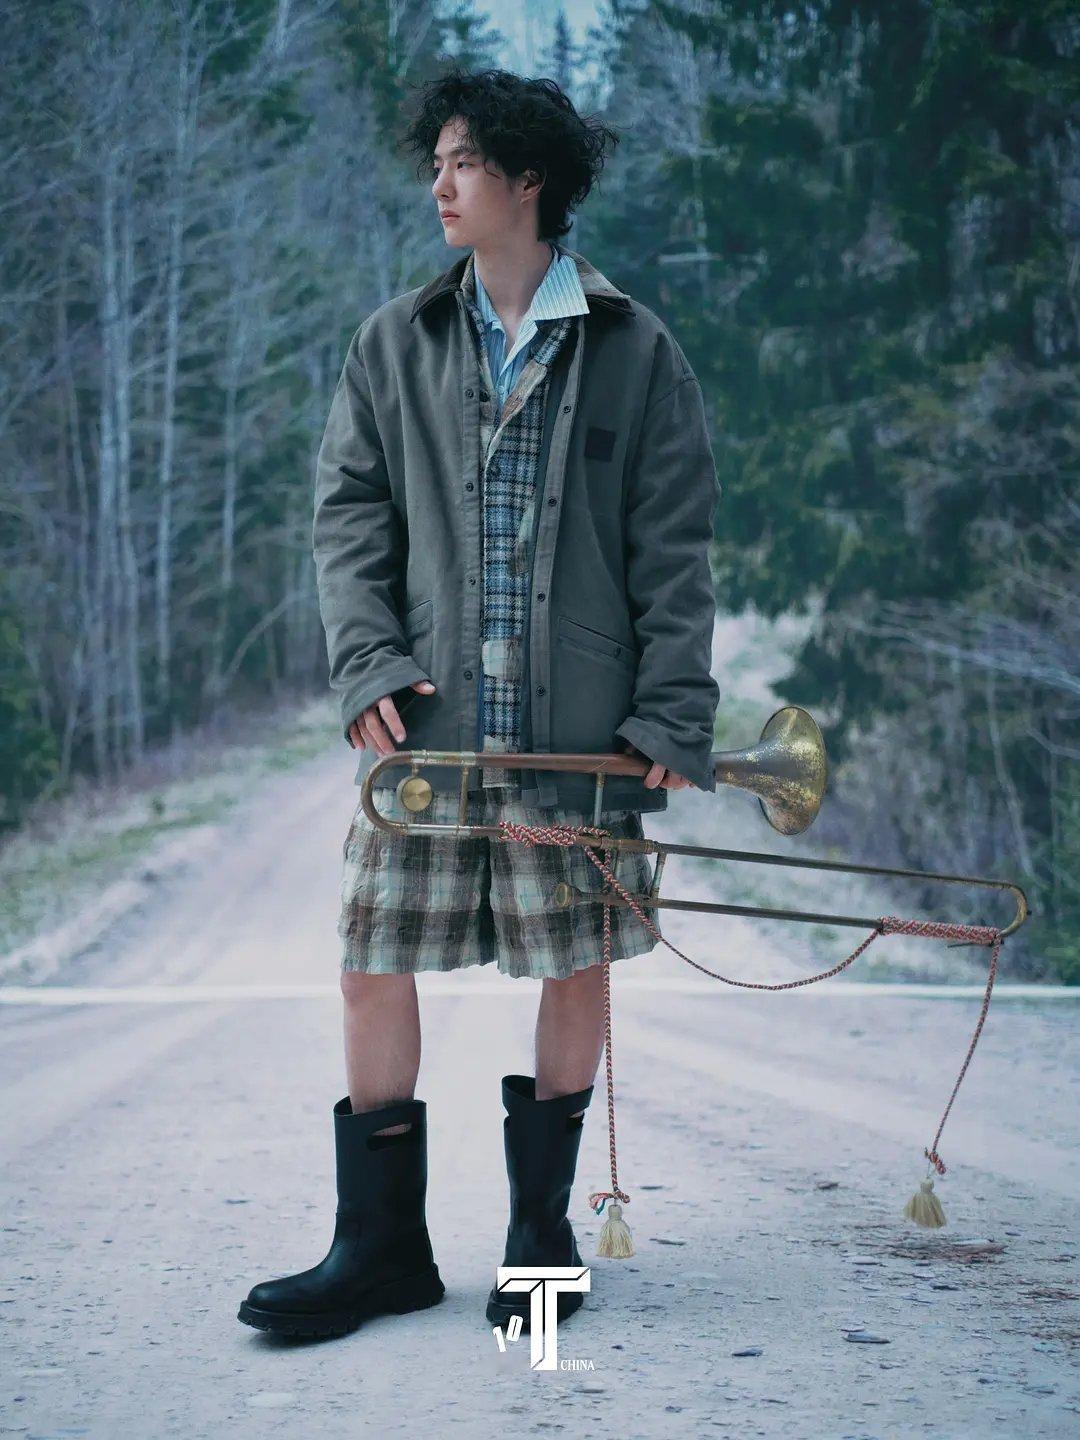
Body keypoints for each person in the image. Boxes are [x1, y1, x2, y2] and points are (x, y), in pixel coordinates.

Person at [238, 67, 720, 1340]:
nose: (440, 187)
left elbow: (676, 546)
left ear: (528, 179)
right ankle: (380, 1250)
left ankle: (539, 1244)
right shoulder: (394, 341)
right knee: (369, 963)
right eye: (436, 164)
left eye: (462, 163)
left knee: (574, 966)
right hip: (428, 731)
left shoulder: (634, 349)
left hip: (580, 735)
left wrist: (671, 710)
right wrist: (366, 663)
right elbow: (347, 518)